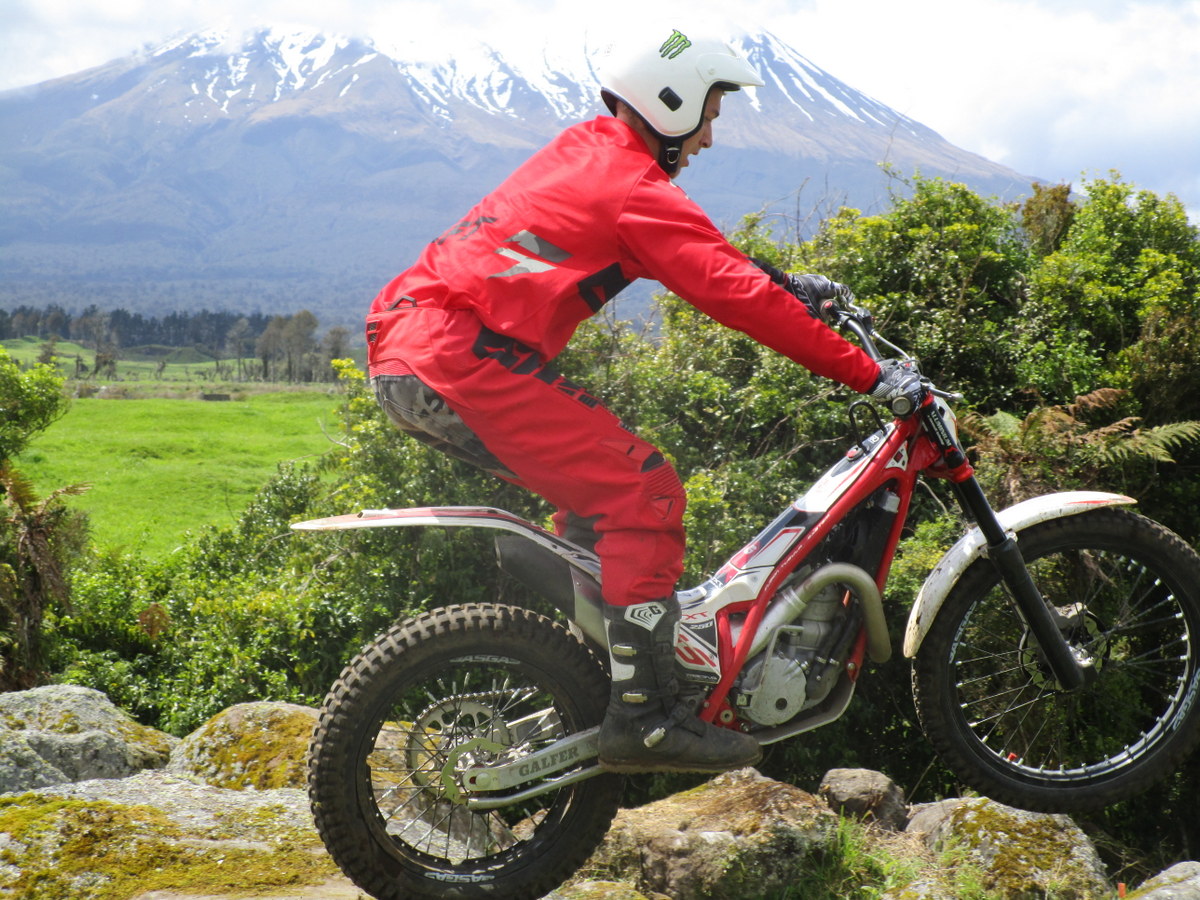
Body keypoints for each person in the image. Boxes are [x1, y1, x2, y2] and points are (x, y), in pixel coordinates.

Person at [364, 26, 923, 774]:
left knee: (598, 505)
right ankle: (645, 716)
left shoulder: (592, 151)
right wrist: (869, 375)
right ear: (672, 103)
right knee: (645, 491)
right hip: (458, 358)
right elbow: (733, 294)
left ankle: (598, 669)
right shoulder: (631, 187)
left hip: (409, 351)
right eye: (709, 116)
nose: (709, 138)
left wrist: (789, 285)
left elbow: (707, 256)